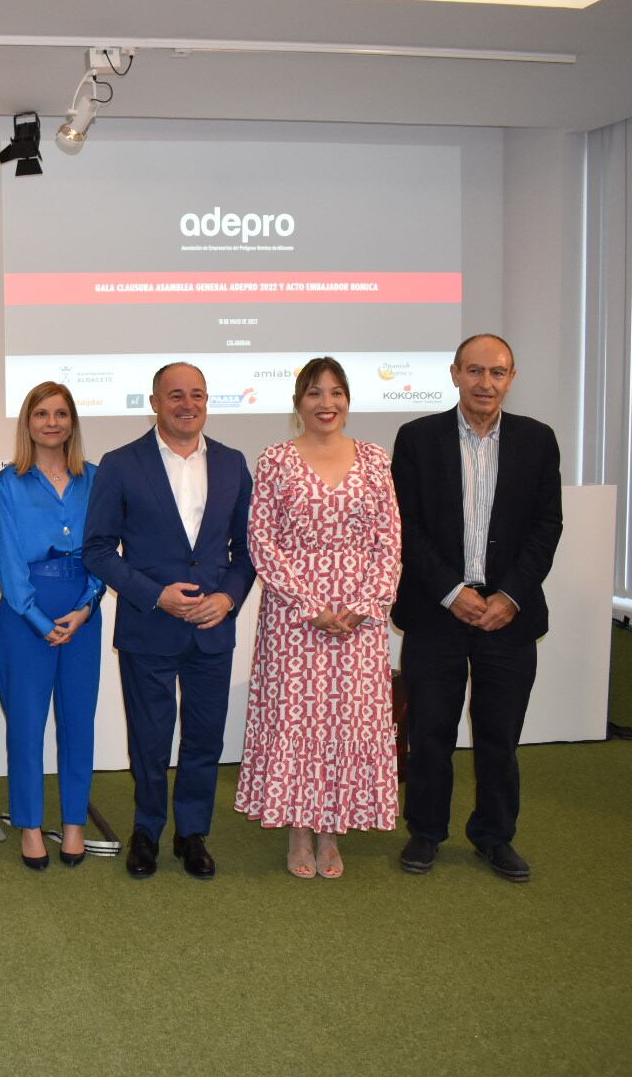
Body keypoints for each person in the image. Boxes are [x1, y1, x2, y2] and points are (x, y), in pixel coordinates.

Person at [392, 333, 563, 882]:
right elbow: (406, 525)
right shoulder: (417, 438)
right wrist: (451, 591)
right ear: (455, 374)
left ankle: (494, 835)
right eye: (474, 371)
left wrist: (509, 595)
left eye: (497, 372)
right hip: (436, 609)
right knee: (430, 731)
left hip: (508, 615)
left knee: (499, 735)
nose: (485, 383)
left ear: (511, 378)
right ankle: (426, 831)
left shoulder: (538, 440)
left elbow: (547, 526)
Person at [84, 361, 256, 880]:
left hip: (211, 628)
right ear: (155, 403)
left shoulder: (231, 463)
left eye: (197, 394)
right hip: (149, 627)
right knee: (150, 739)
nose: (187, 404)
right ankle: (147, 831)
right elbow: (98, 549)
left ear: (207, 402)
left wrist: (227, 599)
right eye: (176, 395)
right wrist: (156, 596)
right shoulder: (121, 463)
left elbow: (248, 550)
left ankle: (192, 833)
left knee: (204, 738)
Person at [235, 357, 402, 879]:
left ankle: (333, 829)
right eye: (314, 393)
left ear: (348, 400)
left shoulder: (374, 460)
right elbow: (261, 540)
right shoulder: (276, 460)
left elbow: (389, 541)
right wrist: (310, 605)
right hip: (294, 619)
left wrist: (365, 606)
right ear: (298, 403)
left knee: (347, 724)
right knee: (296, 723)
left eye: (335, 393)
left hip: (359, 622)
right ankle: (299, 830)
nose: (326, 403)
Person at [0, 381, 105, 871]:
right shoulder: (7, 483)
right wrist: (39, 620)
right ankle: (31, 825)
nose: (52, 422)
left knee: (79, 721)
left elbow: (104, 548)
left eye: (61, 413)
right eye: (41, 414)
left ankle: (75, 822)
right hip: (26, 616)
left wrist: (87, 606)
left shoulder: (95, 479)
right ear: (28, 423)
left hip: (83, 613)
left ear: (72, 422)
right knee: (26, 724)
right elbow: (8, 560)